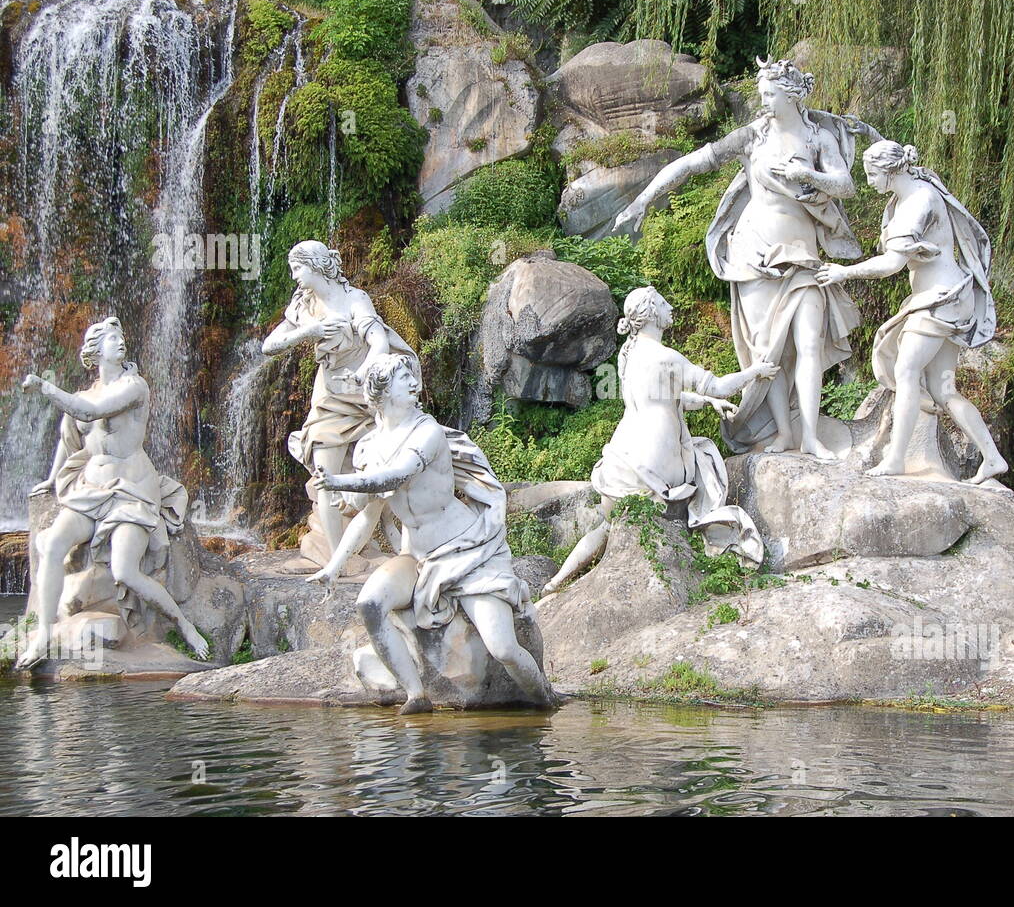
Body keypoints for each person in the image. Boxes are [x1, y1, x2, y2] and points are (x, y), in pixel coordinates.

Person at [613, 58, 875, 460]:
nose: (763, 101)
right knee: (768, 353)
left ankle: (810, 435)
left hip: (802, 256)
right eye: (762, 93)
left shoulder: (817, 138)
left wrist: (810, 176)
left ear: (792, 95)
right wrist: (643, 199)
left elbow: (845, 185)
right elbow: (693, 163)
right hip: (752, 255)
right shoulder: (753, 136)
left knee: (808, 342)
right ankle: (783, 434)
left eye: (770, 94)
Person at [307, 354, 555, 714]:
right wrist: (335, 566)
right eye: (402, 377)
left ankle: (544, 701)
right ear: (381, 392)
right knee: (370, 604)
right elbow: (368, 514)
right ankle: (416, 695)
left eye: (412, 374)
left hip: (467, 551)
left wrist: (338, 480)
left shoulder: (427, 431)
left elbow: (398, 475)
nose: (414, 382)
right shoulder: (368, 448)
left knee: (503, 648)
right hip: (418, 558)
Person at [541, 287, 777, 596]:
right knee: (704, 454)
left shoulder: (628, 356)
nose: (671, 307)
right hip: (656, 466)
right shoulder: (667, 357)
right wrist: (755, 372)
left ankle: (556, 581)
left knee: (607, 526)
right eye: (664, 303)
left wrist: (706, 403)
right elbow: (719, 386)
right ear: (651, 311)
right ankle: (712, 542)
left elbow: (664, 396)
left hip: (621, 460)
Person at [816, 140, 1008, 484]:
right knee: (942, 389)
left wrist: (844, 272)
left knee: (906, 369)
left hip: (940, 299)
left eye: (872, 174)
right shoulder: (916, 191)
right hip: (947, 297)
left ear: (890, 171)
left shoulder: (918, 201)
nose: (869, 181)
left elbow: (892, 264)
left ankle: (896, 459)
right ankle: (992, 458)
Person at [17, 317, 205, 668]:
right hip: (91, 489)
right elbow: (69, 438)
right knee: (54, 543)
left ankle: (185, 624)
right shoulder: (83, 394)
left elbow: (93, 412)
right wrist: (53, 478)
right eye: (112, 339)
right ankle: (44, 631)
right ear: (94, 351)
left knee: (125, 571)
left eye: (121, 337)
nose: (120, 343)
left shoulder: (134, 386)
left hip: (132, 491)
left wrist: (46, 388)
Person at [261, 240, 416, 555]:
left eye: (297, 268)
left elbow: (379, 344)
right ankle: (336, 558)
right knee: (324, 477)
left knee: (386, 469)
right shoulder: (304, 305)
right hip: (329, 397)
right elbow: (269, 346)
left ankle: (397, 538)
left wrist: (363, 373)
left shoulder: (353, 299)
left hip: (367, 395)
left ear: (316, 265)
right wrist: (309, 331)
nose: (294, 276)